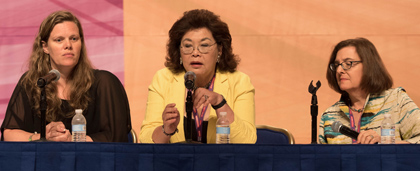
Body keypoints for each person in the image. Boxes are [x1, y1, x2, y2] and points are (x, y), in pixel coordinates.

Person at [1, 11, 131, 142]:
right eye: (59, 40)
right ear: (45, 47)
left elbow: (116, 137)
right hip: (45, 161)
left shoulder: (104, 83)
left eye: (74, 38)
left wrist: (73, 140)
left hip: (92, 161)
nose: (68, 45)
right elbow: (9, 133)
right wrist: (42, 137)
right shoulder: (33, 82)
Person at [139, 9, 256, 144]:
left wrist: (220, 103)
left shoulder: (240, 82)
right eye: (188, 46)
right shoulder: (163, 79)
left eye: (204, 45)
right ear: (179, 51)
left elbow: (247, 142)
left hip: (221, 163)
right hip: (177, 164)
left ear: (219, 50)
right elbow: (145, 140)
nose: (195, 53)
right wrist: (166, 130)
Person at [319, 37, 420, 144]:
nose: (339, 70)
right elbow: (322, 159)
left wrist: (385, 144)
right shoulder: (329, 115)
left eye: (348, 63)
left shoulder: (397, 101)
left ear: (369, 66)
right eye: (336, 65)